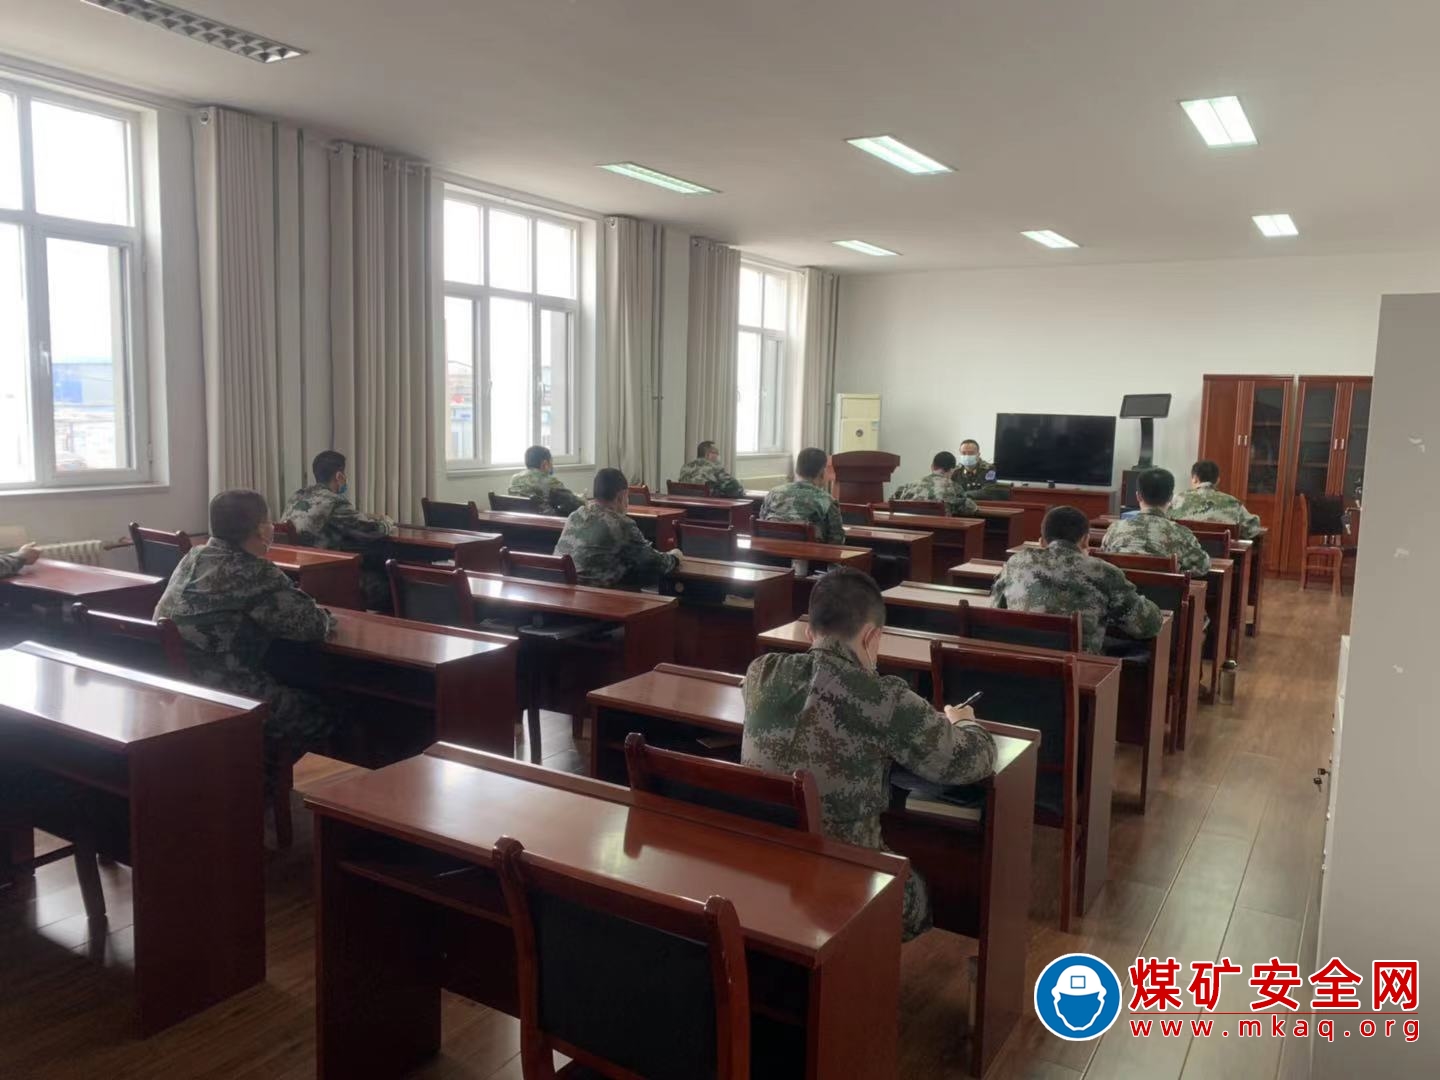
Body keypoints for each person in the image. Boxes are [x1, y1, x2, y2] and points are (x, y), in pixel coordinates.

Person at [742, 566, 996, 940]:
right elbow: (971, 761)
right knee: (920, 894)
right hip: (849, 884)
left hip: (763, 865)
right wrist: (965, 723)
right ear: (872, 636)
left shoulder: (761, 673)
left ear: (810, 632)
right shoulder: (885, 698)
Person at [156, 489, 336, 772]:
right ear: (261, 530)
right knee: (329, 712)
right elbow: (312, 626)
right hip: (232, 698)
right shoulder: (254, 570)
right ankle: (274, 784)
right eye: (269, 521)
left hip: (181, 691)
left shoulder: (193, 556)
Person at [992, 506, 1163, 653]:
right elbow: (1148, 626)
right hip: (1077, 668)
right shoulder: (1104, 572)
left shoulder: (1016, 563)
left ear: (1042, 541)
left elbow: (996, 611)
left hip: (1023, 663)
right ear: (1086, 540)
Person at [282, 450, 394, 609]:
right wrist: (388, 521)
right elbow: (374, 530)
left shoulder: (297, 496)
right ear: (339, 476)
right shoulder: (335, 501)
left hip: (297, 575)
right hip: (328, 575)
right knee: (386, 578)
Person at [554, 467, 683, 589]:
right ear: (621, 496)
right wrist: (675, 557)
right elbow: (654, 563)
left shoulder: (575, 515)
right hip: (592, 595)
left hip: (561, 588)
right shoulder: (621, 524)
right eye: (628, 497)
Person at [1099, 467, 1211, 577]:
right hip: (1164, 589)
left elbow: (1104, 562)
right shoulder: (1181, 533)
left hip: (1121, 589)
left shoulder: (1115, 529)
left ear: (1138, 496)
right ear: (1170, 498)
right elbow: (1203, 566)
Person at [759, 447, 845, 544]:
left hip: (770, 550)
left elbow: (762, 522)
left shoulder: (773, 493)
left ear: (797, 469)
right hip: (809, 553)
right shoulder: (827, 501)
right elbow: (837, 540)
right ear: (822, 471)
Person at [1167, 460, 1262, 539]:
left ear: (1194, 479)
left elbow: (1165, 524)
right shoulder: (1232, 502)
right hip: (1222, 554)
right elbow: (1252, 529)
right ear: (1217, 481)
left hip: (1184, 554)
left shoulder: (1177, 499)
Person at [891, 451, 978, 516]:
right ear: (953, 470)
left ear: (932, 466)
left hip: (908, 530)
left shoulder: (909, 485)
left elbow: (891, 501)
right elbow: (971, 509)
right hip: (939, 532)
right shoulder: (955, 487)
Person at [509, 445, 584, 516]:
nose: (552, 466)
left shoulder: (515, 478)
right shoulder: (550, 481)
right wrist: (583, 499)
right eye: (551, 462)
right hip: (545, 522)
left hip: (519, 521)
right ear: (545, 464)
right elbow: (574, 503)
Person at [677, 440, 745, 498]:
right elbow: (735, 487)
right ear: (709, 454)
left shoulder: (685, 467)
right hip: (707, 506)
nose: (718, 456)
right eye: (716, 453)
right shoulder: (715, 468)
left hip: (685, 505)